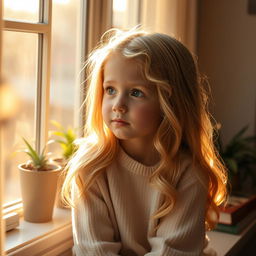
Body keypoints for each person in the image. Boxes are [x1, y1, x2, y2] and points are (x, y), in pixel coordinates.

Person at [62, 28, 227, 256]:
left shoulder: (188, 173)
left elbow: (172, 252)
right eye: (110, 89)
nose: (118, 104)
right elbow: (94, 251)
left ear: (171, 103)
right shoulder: (91, 168)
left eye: (136, 93)